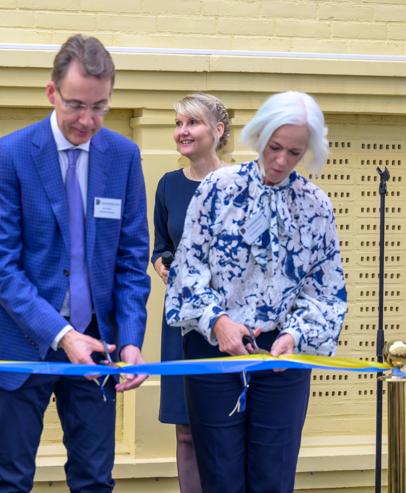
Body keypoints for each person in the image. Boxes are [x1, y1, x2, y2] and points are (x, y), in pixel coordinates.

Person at [0, 35, 151, 492]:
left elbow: (133, 261)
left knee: (95, 480)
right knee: (9, 479)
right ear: (52, 92)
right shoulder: (11, 154)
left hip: (98, 345)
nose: (87, 120)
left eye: (100, 107)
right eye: (76, 104)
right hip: (21, 342)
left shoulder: (124, 156)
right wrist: (63, 336)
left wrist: (131, 340)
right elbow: (1, 267)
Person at [165, 91, 347, 493]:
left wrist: (293, 335)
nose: (281, 160)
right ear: (259, 134)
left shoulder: (316, 205)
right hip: (213, 349)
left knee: (273, 477)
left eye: (295, 152)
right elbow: (186, 273)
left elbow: (326, 292)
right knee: (220, 477)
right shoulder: (216, 188)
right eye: (275, 147)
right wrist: (219, 322)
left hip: (283, 357)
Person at [152, 92, 229, 493]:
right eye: (178, 123)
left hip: (229, 321)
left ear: (217, 131)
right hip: (181, 320)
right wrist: (160, 260)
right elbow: (161, 243)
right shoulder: (168, 185)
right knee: (185, 429)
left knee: (227, 426)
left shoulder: (240, 183)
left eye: (192, 123)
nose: (183, 131)